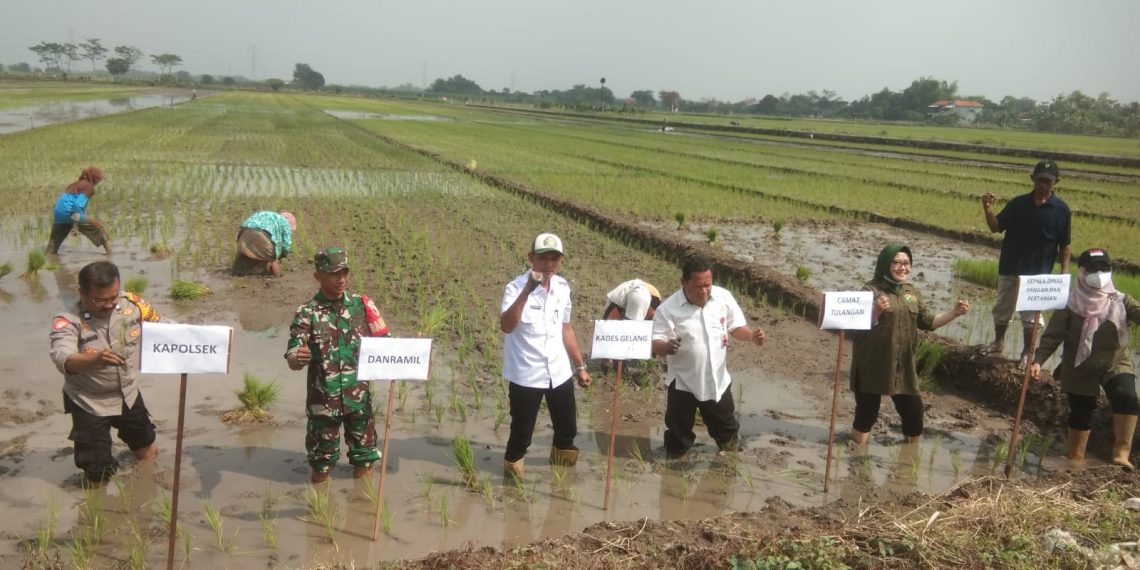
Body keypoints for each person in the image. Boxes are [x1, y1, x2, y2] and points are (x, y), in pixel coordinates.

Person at [48, 261, 161, 485]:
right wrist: (95, 359)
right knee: (96, 466)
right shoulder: (69, 320)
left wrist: (200, 343)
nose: (109, 305)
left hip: (127, 392)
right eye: (100, 300)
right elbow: (63, 358)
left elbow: (163, 327)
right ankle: (98, 509)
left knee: (144, 440)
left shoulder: (133, 305)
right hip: (89, 400)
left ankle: (150, 484)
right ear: (82, 292)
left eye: (113, 297)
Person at [285, 247, 390, 483]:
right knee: (321, 463)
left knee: (365, 458)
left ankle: (362, 507)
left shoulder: (363, 306)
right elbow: (293, 353)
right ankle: (320, 509)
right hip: (323, 404)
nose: (341, 279)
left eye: (344, 272)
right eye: (333, 273)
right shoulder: (306, 313)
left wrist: (412, 352)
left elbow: (386, 345)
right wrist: (297, 358)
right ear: (318, 276)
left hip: (359, 401)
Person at [1029, 248, 1140, 470]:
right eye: (1094, 269)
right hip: (1079, 365)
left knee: (1126, 397)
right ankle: (1075, 457)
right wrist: (1038, 360)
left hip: (1115, 361)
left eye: (1104, 268)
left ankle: (1121, 453)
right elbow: (1052, 336)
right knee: (1082, 411)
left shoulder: (1121, 300)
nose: (1099, 274)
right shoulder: (1069, 303)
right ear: (1082, 271)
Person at [849, 244, 970, 445]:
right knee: (866, 415)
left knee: (914, 413)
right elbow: (859, 323)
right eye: (896, 263)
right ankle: (856, 454)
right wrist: (876, 311)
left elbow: (929, 322)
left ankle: (910, 459)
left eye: (906, 263)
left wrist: (954, 313)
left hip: (902, 365)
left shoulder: (911, 293)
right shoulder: (870, 290)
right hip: (872, 363)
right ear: (886, 264)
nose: (902, 267)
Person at [651, 256, 766, 459]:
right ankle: (676, 465)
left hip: (716, 379)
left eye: (708, 285)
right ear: (684, 282)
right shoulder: (668, 309)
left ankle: (729, 459)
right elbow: (656, 342)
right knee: (678, 432)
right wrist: (667, 347)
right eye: (697, 286)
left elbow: (736, 327)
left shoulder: (723, 298)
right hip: (683, 381)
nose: (703, 290)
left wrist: (751, 337)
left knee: (727, 429)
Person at [499, 233, 591, 477]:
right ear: (531, 258)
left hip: (559, 373)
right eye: (543, 258)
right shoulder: (515, 287)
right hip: (526, 375)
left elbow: (566, 329)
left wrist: (580, 366)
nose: (549, 264)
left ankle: (562, 479)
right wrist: (528, 290)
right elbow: (507, 326)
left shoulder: (562, 287)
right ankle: (512, 481)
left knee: (567, 430)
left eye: (554, 258)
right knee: (521, 435)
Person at [981, 159, 1072, 365]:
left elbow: (1065, 244)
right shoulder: (1018, 203)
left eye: (1048, 181)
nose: (1043, 185)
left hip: (1038, 273)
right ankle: (998, 342)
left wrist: (1064, 270)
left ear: (1056, 182)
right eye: (1039, 180)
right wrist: (987, 209)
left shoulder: (1061, 210)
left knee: (1031, 316)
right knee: (1003, 307)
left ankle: (1026, 353)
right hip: (1011, 265)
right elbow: (996, 227)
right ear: (1032, 179)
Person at [46, 166, 111, 255]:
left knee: (52, 246)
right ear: (95, 179)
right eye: (99, 180)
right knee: (98, 228)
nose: (99, 182)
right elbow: (76, 206)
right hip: (69, 212)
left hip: (59, 213)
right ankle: (110, 254)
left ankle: (49, 260)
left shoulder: (77, 183)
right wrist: (76, 225)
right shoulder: (89, 186)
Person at [233, 210, 296, 277]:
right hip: (263, 234)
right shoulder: (285, 222)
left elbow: (244, 225)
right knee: (272, 258)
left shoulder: (267, 215)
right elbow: (286, 244)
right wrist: (281, 255)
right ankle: (277, 275)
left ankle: (235, 271)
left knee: (243, 255)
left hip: (245, 232)